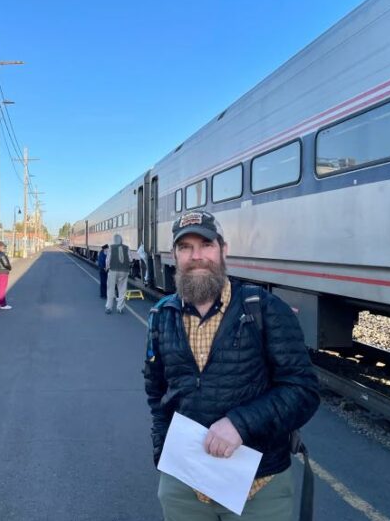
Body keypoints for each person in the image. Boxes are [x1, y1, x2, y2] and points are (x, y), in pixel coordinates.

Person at [143, 211, 319, 521]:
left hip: (259, 487)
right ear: (174, 256)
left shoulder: (264, 309)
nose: (197, 256)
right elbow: (157, 394)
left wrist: (241, 423)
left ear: (224, 250)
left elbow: (303, 390)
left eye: (206, 244)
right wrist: (163, 456)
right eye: (185, 247)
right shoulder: (162, 316)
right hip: (184, 486)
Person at [105, 234, 130, 314]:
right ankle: (120, 308)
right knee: (122, 290)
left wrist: (107, 267)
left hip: (113, 271)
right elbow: (131, 258)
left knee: (111, 289)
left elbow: (108, 259)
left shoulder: (111, 247)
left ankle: (109, 308)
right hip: (124, 271)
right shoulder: (127, 248)